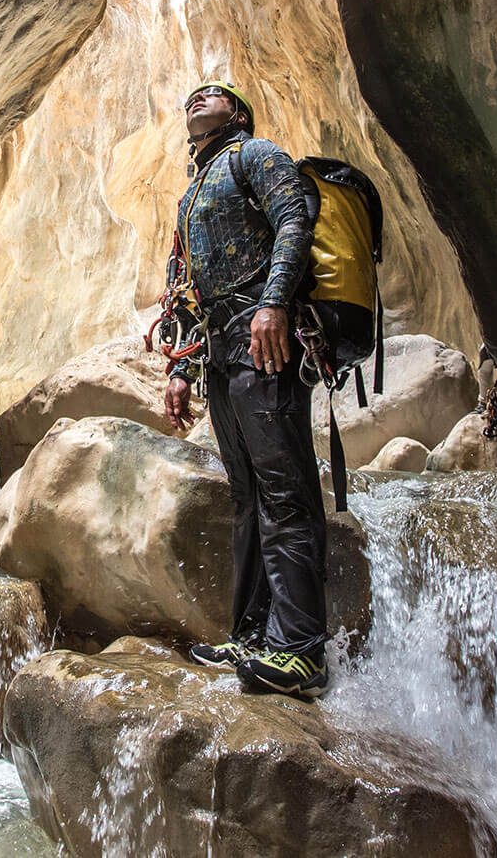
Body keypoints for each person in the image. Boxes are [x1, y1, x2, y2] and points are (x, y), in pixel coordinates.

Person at [160, 80, 329, 698]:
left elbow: (294, 216)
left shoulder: (254, 156)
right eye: (192, 97)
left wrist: (276, 303)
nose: (197, 99)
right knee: (247, 494)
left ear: (239, 113)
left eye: (214, 95)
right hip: (222, 346)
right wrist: (181, 369)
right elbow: (184, 285)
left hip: (266, 335)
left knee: (284, 489)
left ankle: (302, 650)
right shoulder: (191, 193)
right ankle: (253, 636)